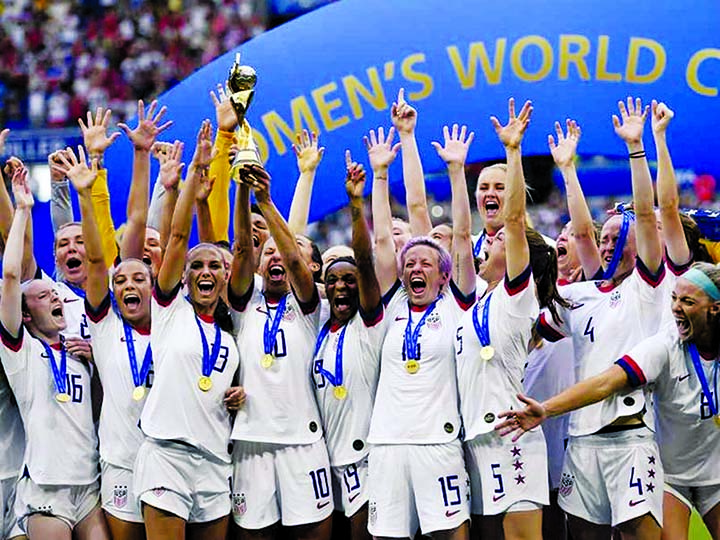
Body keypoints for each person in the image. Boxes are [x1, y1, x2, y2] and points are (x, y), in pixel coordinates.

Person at [499, 262, 720, 540]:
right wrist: (546, 409)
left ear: (715, 308)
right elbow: (605, 383)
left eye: (687, 301)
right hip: (671, 477)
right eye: (674, 298)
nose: (675, 307)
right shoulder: (664, 346)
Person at [536, 97, 667, 540]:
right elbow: (582, 233)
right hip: (581, 438)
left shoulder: (648, 288)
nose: (607, 245)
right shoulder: (580, 294)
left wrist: (635, 148)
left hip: (629, 438)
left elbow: (646, 217)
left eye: (617, 237)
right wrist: (567, 169)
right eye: (603, 238)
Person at [455, 99, 566, 540]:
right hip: (476, 436)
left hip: (512, 434)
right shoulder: (476, 298)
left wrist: (515, 152)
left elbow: (517, 220)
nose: (492, 241)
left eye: (502, 241)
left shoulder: (518, 295)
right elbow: (461, 236)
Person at [58, 100, 169, 540]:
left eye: (138, 276)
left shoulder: (170, 313)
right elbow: (100, 256)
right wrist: (86, 190)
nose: (128, 284)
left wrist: (142, 156)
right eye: (119, 279)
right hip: (120, 460)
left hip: (169, 457)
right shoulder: (103, 323)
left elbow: (141, 220)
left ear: (153, 281)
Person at [366, 121, 476, 539]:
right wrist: (379, 176)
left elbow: (453, 231)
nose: (415, 267)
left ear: (444, 275)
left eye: (426, 263)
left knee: (448, 535)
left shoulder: (456, 304)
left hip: (439, 442)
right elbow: (382, 243)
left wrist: (453, 171)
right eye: (409, 262)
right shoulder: (392, 303)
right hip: (387, 443)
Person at [132, 120, 241, 540]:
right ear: (184, 276)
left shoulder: (231, 335)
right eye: (197, 265)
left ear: (226, 274)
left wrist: (240, 392)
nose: (205, 271)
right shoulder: (168, 309)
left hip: (216, 459)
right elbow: (177, 236)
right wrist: (198, 165)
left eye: (215, 264)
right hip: (166, 456)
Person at [0, 163, 110, 540]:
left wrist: (99, 358)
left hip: (89, 482)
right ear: (26, 315)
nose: (54, 293)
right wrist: (23, 209)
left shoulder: (81, 347)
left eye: (53, 292)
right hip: (46, 486)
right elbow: (13, 275)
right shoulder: (21, 353)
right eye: (44, 295)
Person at [227, 161, 332, 540]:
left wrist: (266, 203)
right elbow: (240, 249)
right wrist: (241, 191)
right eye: (266, 251)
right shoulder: (243, 301)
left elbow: (292, 260)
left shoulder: (310, 306)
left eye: (282, 250)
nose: (276, 256)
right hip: (251, 440)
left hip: (303, 441)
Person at [311, 153, 384, 540]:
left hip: (365, 461)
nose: (342, 286)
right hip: (323, 462)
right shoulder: (317, 330)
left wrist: (356, 206)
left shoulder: (369, 324)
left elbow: (367, 262)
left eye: (349, 279)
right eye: (333, 280)